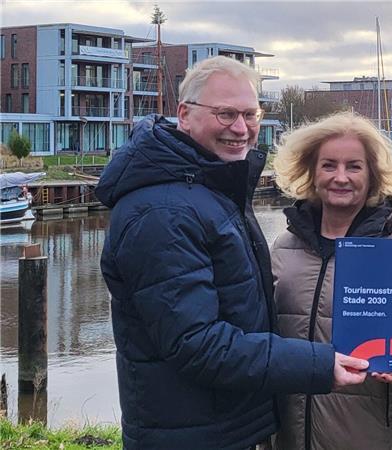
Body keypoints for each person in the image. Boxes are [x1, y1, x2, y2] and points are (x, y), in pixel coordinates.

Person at [96, 56, 368, 450]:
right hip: (191, 434)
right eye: (225, 114)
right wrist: (319, 364)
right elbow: (198, 344)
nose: (241, 129)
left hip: (219, 425)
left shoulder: (205, 189)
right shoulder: (164, 212)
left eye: (250, 114)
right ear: (184, 115)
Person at [270, 111, 392, 450]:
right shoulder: (284, 247)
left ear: (373, 175)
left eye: (354, 166)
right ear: (311, 172)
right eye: (328, 165)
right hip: (291, 433)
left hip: (375, 435)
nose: (340, 177)